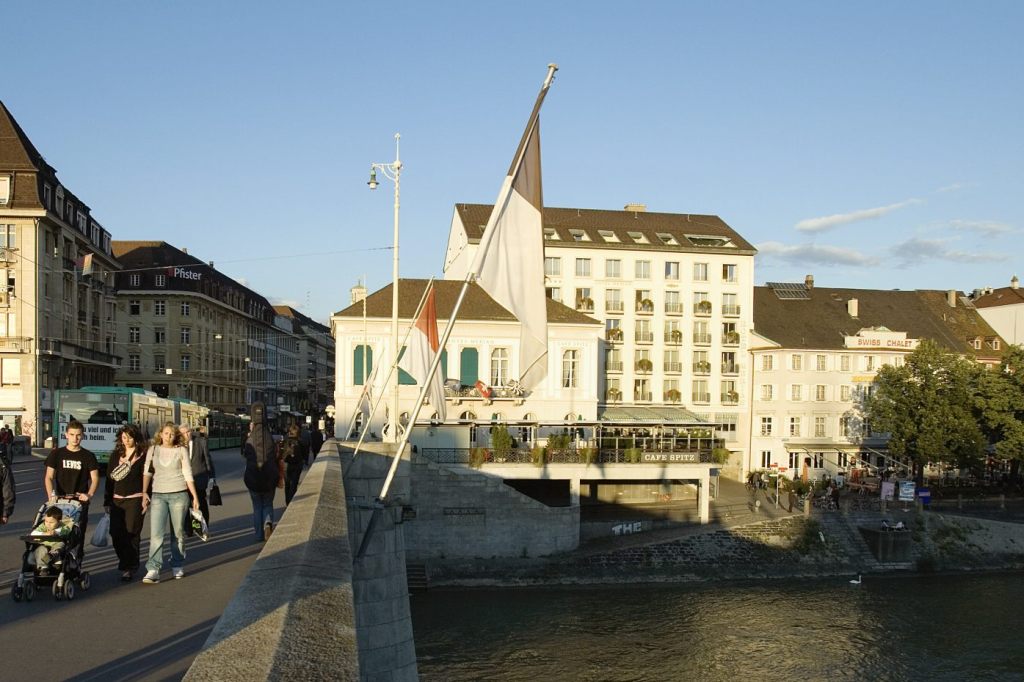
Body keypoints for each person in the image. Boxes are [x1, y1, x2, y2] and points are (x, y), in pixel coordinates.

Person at [141, 422, 200, 584]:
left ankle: (177, 564)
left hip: (179, 495)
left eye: (172, 434)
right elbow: (147, 472)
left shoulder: (181, 450)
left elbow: (188, 474)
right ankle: (153, 569)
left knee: (178, 533)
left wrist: (195, 496)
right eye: (166, 433)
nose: (169, 436)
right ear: (160, 434)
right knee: (156, 534)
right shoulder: (153, 450)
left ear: (176, 436)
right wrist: (144, 492)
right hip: (158, 495)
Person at [44, 420, 99, 543]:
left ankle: (76, 559)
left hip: (79, 502)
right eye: (72, 434)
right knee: (58, 533)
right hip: (60, 501)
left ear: (83, 436)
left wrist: (89, 494)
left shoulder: (88, 456)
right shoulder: (56, 454)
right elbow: (48, 477)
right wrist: (51, 496)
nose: (75, 438)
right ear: (66, 435)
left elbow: (95, 478)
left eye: (78, 435)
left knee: (77, 536)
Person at [104, 425, 147, 582]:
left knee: (132, 532)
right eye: (124, 437)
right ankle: (125, 559)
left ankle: (130, 566)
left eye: (129, 437)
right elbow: (109, 480)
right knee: (115, 533)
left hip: (135, 498)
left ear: (135, 438)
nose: (127, 440)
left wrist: (146, 497)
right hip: (117, 500)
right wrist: (107, 500)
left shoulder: (143, 455)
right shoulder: (116, 455)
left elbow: (148, 477)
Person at [242, 402, 279, 543]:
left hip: (253, 479)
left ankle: (258, 535)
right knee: (268, 504)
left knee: (257, 507)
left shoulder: (250, 439)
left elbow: (246, 456)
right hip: (269, 478)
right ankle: (268, 523)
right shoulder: (269, 437)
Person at [180, 423, 216, 528]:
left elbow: (208, 460)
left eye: (188, 432)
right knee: (186, 504)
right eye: (184, 433)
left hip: (199, 479)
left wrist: (212, 477)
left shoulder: (201, 442)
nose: (187, 435)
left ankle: (203, 526)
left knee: (201, 503)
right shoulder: (178, 445)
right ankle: (189, 528)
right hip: (184, 481)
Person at [30, 506, 72, 572]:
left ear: (59, 521)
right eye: (46, 521)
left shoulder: (63, 526)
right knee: (41, 549)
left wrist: (56, 532)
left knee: (60, 545)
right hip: (45, 545)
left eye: (51, 522)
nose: (48, 524)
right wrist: (44, 534)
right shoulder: (43, 526)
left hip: (56, 544)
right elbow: (33, 533)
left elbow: (65, 531)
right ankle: (44, 566)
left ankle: (54, 556)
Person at [281, 423, 308, 506]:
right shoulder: (301, 441)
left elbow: (281, 452)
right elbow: (305, 453)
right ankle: (292, 502)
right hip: (297, 465)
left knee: (287, 485)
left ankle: (287, 502)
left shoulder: (285, 440)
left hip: (286, 465)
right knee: (294, 484)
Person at [1, 448, 14, 525]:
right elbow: (8, 489)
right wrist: (6, 513)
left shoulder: (3, 466)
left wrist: (6, 512)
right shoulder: (3, 465)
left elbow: (8, 489)